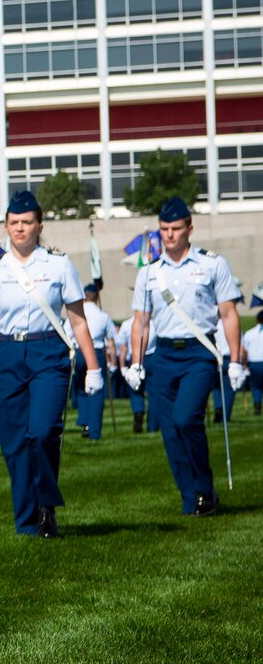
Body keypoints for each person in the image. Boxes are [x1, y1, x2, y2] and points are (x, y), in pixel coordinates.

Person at [0, 191, 104, 537]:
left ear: (39, 226)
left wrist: (92, 367)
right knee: (14, 442)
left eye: (27, 223)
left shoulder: (58, 264)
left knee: (42, 431)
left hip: (47, 352)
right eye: (14, 223)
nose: (20, 229)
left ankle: (46, 503)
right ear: (5, 226)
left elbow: (78, 321)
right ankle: (28, 521)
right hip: (6, 355)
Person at [124, 198, 246, 516]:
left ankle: (204, 486)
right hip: (162, 354)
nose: (169, 235)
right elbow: (141, 321)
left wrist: (234, 359)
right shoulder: (149, 273)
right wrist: (136, 361)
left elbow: (229, 314)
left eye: (176, 229)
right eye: (164, 229)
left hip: (199, 352)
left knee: (186, 418)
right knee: (169, 430)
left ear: (189, 229)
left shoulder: (212, 264)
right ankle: (191, 496)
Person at [77, 282, 118, 440]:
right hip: (96, 351)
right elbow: (111, 343)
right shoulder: (103, 315)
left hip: (80, 351)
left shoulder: (78, 313)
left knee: (81, 388)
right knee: (96, 392)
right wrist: (113, 363)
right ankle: (93, 430)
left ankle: (85, 423)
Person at [244, 311, 263, 417]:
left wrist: (245, 364)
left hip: (254, 364)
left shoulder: (249, 333)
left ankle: (257, 407)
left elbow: (245, 351)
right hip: (256, 363)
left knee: (256, 387)